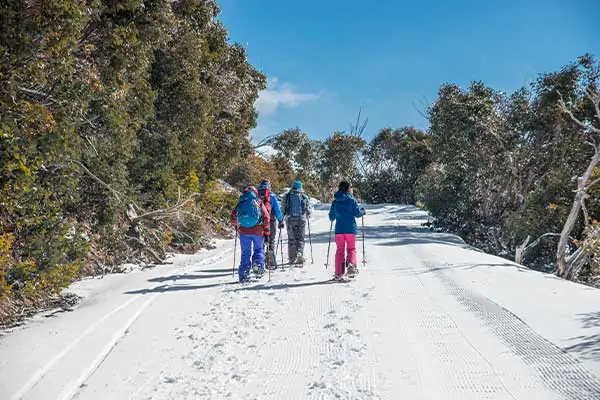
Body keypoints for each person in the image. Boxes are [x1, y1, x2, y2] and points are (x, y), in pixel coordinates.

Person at [230, 186, 270, 282]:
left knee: (245, 253)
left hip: (244, 232)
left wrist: (238, 226)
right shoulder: (258, 202)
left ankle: (244, 273)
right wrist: (267, 232)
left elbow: (233, 218)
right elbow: (266, 217)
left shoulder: (241, 202)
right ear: (255, 193)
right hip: (258, 231)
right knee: (259, 249)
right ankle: (258, 265)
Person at [328, 181, 365, 280]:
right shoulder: (351, 200)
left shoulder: (335, 201)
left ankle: (339, 273)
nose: (351, 189)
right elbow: (357, 213)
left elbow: (331, 217)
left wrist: (333, 216)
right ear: (347, 188)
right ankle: (351, 267)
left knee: (340, 250)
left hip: (339, 230)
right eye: (350, 187)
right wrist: (362, 212)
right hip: (350, 229)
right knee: (351, 249)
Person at [282, 180, 311, 266]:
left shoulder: (287, 196)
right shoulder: (303, 196)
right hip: (301, 219)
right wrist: (308, 215)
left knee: (291, 239)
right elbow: (308, 209)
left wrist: (283, 216)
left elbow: (283, 207)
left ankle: (292, 258)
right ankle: (300, 254)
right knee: (300, 238)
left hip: (290, 219)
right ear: (300, 187)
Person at [257, 179, 284, 269]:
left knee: (260, 243)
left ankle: (259, 262)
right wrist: (280, 220)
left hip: (259, 222)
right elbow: (277, 210)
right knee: (270, 241)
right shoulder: (271, 196)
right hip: (270, 221)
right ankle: (270, 262)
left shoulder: (257, 195)